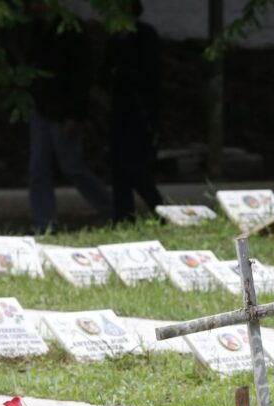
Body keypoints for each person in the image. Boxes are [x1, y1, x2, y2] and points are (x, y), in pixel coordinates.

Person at [27, 0, 111, 233]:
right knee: (39, 168)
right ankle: (44, 222)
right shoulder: (38, 29)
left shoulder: (72, 30)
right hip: (42, 107)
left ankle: (110, 208)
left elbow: (80, 76)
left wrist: (74, 114)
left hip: (64, 110)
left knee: (71, 166)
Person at [102, 0, 164, 222]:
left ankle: (161, 210)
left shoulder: (145, 36)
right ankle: (123, 216)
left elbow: (152, 77)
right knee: (119, 168)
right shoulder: (114, 39)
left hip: (140, 112)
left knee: (134, 167)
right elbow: (104, 76)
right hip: (119, 111)